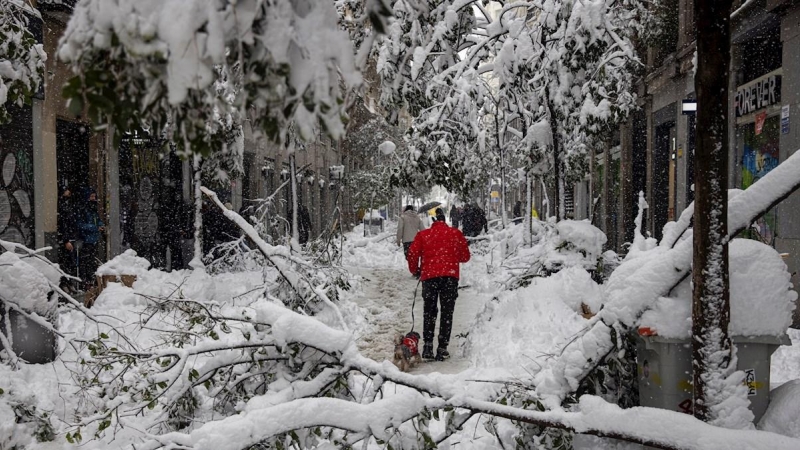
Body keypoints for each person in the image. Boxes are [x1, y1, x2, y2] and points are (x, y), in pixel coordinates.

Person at [407, 208, 471, 361]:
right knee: (446, 312)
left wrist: (416, 270)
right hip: (449, 277)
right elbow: (465, 256)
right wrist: (450, 257)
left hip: (429, 278)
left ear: (434, 223)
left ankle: (428, 346)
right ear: (445, 222)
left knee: (429, 311)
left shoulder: (423, 235)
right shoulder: (455, 234)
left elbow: (412, 254)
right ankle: (442, 348)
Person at [76, 189, 105, 290]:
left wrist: (100, 225)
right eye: (91, 196)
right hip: (86, 240)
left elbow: (98, 220)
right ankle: (86, 282)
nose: (93, 199)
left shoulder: (93, 210)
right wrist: (94, 227)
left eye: (94, 196)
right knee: (86, 262)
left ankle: (91, 281)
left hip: (93, 239)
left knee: (92, 261)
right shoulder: (83, 210)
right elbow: (81, 225)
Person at [57, 186, 78, 289]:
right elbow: (63, 224)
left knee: (70, 262)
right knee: (66, 262)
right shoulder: (62, 206)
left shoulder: (68, 205)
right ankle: (65, 282)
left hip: (70, 237)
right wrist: (66, 240)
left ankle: (69, 282)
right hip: (67, 239)